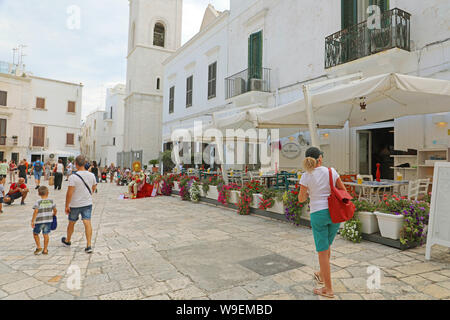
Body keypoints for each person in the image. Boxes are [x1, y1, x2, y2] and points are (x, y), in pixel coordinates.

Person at [298, 147, 347, 299]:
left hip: (318, 214)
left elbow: (301, 199)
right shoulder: (331, 171)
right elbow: (343, 191)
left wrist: (309, 192)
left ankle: (329, 289)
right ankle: (320, 273)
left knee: (322, 252)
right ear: (320, 158)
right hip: (334, 213)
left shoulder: (306, 176)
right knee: (326, 248)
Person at [62, 155, 97, 254]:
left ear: (76, 164)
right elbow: (94, 187)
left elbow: (69, 193)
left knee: (71, 222)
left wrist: (66, 205)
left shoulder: (73, 177)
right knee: (87, 222)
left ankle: (68, 240)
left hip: (75, 204)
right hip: (87, 203)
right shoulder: (91, 175)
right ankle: (88, 245)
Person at [31, 186, 57, 255]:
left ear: (38, 193)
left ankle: (39, 246)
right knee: (46, 234)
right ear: (48, 193)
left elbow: (36, 211)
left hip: (39, 221)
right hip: (48, 221)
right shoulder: (51, 201)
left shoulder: (38, 202)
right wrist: (54, 215)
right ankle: (45, 249)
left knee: (35, 233)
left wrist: (33, 220)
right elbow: (55, 210)